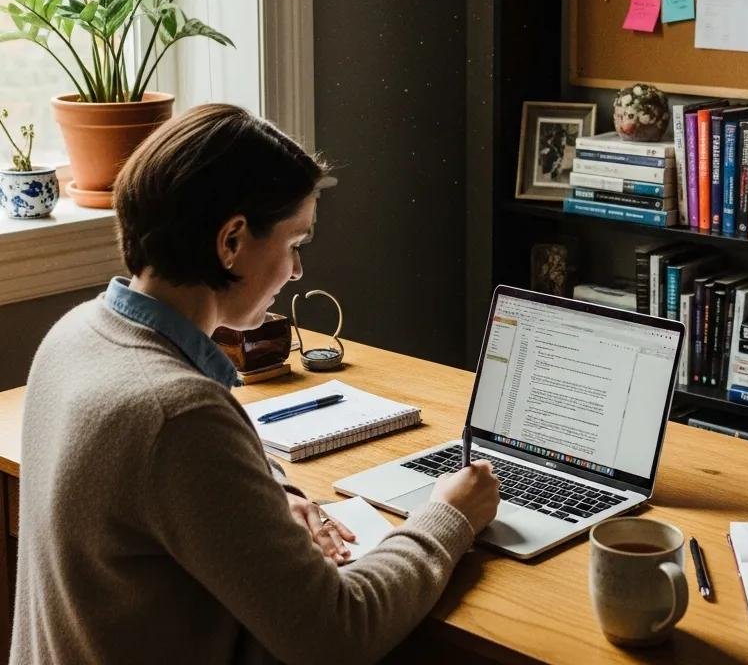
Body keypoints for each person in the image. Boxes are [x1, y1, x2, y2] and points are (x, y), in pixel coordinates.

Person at [11, 104, 500, 665]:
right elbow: (338, 633)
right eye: (295, 243)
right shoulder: (178, 414)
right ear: (232, 241)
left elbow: (184, 479)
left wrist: (278, 496)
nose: (296, 271)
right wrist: (447, 517)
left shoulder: (75, 335)